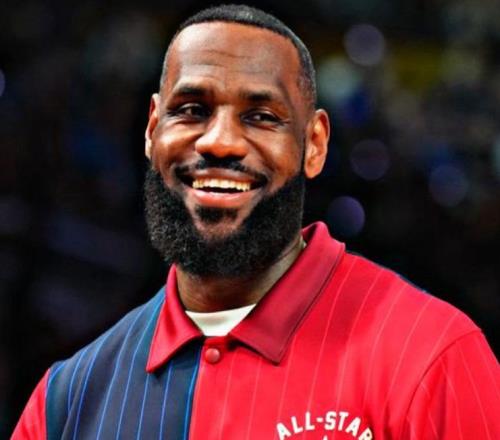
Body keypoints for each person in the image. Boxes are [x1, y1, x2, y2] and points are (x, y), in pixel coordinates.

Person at [13, 4, 499, 440]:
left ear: (314, 144)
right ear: (152, 129)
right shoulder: (67, 401)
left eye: (261, 116)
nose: (220, 142)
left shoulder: (434, 357)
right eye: (191, 110)